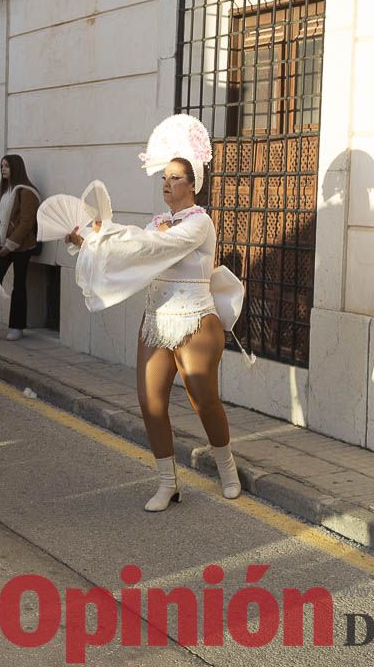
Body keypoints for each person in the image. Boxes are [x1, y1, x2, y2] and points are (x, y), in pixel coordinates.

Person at [64, 116, 242, 509]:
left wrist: (105, 236)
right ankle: (167, 482)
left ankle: (227, 469)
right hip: (157, 320)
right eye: (164, 176)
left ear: (193, 184)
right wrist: (89, 240)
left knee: (203, 400)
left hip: (195, 319)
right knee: (149, 401)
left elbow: (151, 248)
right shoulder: (158, 222)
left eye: (176, 177)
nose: (167, 182)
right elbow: (137, 252)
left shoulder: (199, 223)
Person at [0, 154, 41, 341]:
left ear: (16, 167)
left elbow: (26, 222)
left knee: (19, 285)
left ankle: (17, 327)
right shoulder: (1, 192)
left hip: (22, 247)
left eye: (7, 166)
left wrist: (10, 245)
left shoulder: (27, 192)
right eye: (2, 166)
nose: (3, 169)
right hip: (1, 246)